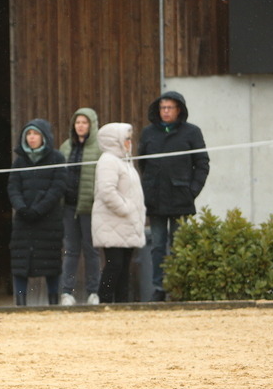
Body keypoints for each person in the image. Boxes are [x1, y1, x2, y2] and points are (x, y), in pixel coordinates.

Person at [138, 91, 209, 301]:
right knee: (158, 245)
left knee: (180, 244)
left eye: (170, 108)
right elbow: (143, 163)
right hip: (156, 199)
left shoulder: (192, 132)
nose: (166, 112)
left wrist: (191, 190)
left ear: (179, 110)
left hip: (181, 199)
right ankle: (159, 287)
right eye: (162, 108)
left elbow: (202, 164)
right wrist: (149, 188)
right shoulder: (148, 133)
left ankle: (179, 287)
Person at [7, 119, 67, 306]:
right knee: (20, 261)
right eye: (29, 134)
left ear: (44, 137)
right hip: (23, 219)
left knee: (51, 261)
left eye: (35, 134)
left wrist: (39, 209)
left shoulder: (57, 159)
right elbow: (13, 187)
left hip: (48, 219)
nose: (31, 138)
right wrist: (22, 208)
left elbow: (58, 187)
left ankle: (53, 300)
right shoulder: (19, 161)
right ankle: (21, 301)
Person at [92, 123, 147, 303]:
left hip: (125, 224)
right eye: (126, 139)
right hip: (112, 223)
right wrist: (126, 209)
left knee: (124, 267)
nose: (129, 143)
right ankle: (105, 302)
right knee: (114, 265)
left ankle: (122, 304)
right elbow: (107, 191)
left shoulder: (125, 162)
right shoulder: (108, 160)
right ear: (114, 140)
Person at [58, 107, 102, 306]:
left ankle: (94, 292)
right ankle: (67, 292)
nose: (81, 126)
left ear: (91, 125)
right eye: (77, 122)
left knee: (91, 251)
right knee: (71, 250)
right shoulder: (66, 147)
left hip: (90, 208)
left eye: (84, 122)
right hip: (69, 207)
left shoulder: (99, 148)